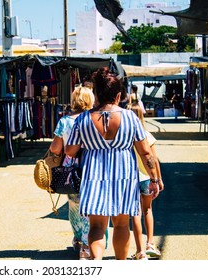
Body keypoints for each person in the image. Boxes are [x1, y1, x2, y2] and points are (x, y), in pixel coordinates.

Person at [65, 67, 160, 260]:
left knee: (97, 226)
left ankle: (97, 264)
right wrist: (154, 178)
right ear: (118, 96)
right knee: (122, 224)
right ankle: (120, 265)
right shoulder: (130, 118)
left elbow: (70, 150)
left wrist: (89, 144)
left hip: (93, 176)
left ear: (97, 94)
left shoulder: (82, 119)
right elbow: (145, 152)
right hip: (124, 176)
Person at [49, 86, 96, 260]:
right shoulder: (94, 119)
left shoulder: (65, 121)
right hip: (92, 166)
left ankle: (79, 240)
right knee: (90, 207)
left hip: (70, 170)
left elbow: (55, 148)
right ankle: (86, 245)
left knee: (75, 206)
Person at [128, 103, 164, 260]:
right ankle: (150, 243)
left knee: (135, 213)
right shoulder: (146, 135)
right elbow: (153, 159)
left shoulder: (125, 136)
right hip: (146, 178)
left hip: (130, 178)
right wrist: (158, 179)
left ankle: (139, 250)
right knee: (147, 209)